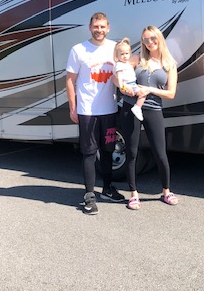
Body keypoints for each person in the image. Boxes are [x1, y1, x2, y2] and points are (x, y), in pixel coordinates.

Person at [66, 12, 125, 215]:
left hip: (109, 109)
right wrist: (73, 107)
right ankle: (89, 195)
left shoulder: (114, 48)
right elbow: (70, 80)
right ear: (90, 27)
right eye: (96, 26)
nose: (99, 30)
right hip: (87, 111)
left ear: (108, 28)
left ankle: (107, 188)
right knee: (89, 153)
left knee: (108, 150)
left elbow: (125, 68)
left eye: (102, 26)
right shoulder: (78, 50)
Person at [120, 26, 179, 210]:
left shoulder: (170, 64)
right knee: (131, 152)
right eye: (145, 40)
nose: (149, 42)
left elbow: (171, 94)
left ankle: (166, 191)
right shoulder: (138, 58)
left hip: (153, 109)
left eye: (152, 38)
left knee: (160, 154)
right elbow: (120, 75)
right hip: (131, 108)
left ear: (159, 38)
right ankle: (133, 194)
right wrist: (124, 88)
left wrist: (150, 90)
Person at [113, 38, 145, 122]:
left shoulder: (126, 64)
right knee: (143, 93)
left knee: (142, 92)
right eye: (122, 54)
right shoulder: (119, 65)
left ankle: (137, 107)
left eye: (127, 53)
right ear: (117, 55)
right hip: (129, 85)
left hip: (133, 84)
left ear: (130, 53)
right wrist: (124, 88)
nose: (125, 56)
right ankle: (137, 107)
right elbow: (120, 80)